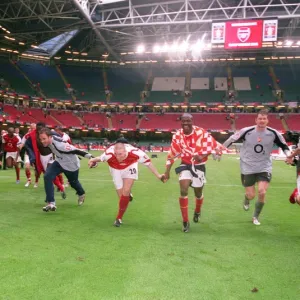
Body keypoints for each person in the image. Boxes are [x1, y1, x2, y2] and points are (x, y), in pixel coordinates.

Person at [222, 109, 290, 225]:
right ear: (256, 120)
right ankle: (247, 198)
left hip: (264, 166)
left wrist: (288, 155)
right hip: (248, 166)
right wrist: (221, 148)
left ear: (267, 120)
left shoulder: (273, 133)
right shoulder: (246, 131)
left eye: (264, 119)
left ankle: (255, 217)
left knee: (262, 192)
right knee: (251, 195)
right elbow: (231, 139)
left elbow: (284, 146)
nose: (262, 121)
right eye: (260, 118)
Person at [163, 113, 220, 233]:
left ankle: (197, 210)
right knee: (183, 190)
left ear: (192, 121)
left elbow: (213, 147)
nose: (185, 123)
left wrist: (202, 155)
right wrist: (167, 172)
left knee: (198, 193)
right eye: (183, 121)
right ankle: (185, 221)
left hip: (199, 166)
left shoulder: (201, 132)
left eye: (188, 121)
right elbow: (172, 154)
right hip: (185, 164)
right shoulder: (177, 135)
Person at [88, 139, 165, 227]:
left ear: (125, 151)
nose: (118, 156)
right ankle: (128, 195)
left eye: (120, 154)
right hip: (115, 168)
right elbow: (98, 159)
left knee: (126, 191)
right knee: (122, 197)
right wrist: (92, 161)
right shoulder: (109, 154)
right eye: (116, 154)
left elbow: (148, 163)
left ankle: (119, 218)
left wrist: (158, 175)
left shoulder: (136, 153)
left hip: (130, 166)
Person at [39, 127, 93, 212]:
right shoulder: (51, 137)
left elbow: (76, 150)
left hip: (71, 164)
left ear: (50, 137)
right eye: (41, 139)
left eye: (44, 139)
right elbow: (54, 133)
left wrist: (91, 158)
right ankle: (51, 202)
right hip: (60, 162)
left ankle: (81, 193)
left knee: (73, 183)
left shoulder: (60, 145)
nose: (42, 141)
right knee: (47, 176)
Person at [24, 122, 65, 193]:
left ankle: (59, 186)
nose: (39, 131)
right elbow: (27, 145)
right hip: (41, 157)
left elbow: (60, 139)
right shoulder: (32, 136)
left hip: (52, 155)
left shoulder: (50, 133)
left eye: (40, 129)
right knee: (48, 174)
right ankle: (60, 186)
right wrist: (32, 157)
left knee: (50, 172)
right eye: (37, 130)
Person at [19, 123, 40, 187]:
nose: (32, 129)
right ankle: (29, 180)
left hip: (37, 153)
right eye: (31, 128)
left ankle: (36, 181)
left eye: (34, 128)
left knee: (36, 169)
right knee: (27, 167)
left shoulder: (39, 135)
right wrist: (20, 147)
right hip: (28, 153)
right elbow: (22, 143)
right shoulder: (27, 135)